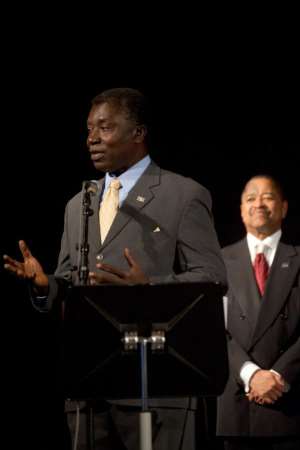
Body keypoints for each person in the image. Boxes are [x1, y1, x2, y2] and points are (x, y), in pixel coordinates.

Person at [4, 87, 227, 450]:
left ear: (138, 133)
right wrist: (46, 285)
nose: (92, 138)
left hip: (156, 387)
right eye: (89, 129)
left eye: (105, 128)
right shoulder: (78, 203)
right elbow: (70, 285)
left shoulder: (183, 195)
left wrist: (150, 288)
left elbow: (214, 278)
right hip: (88, 387)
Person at [217, 174, 300, 449]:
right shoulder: (218, 262)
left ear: (284, 208)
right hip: (237, 408)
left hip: (290, 404)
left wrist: (278, 376)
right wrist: (251, 373)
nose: (259, 203)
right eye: (251, 198)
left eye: (268, 196)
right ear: (241, 210)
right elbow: (212, 329)